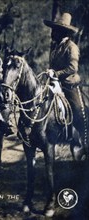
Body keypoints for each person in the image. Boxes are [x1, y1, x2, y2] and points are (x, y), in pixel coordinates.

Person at [44, 12, 87, 146]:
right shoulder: (56, 48)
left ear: (62, 32)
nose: (52, 33)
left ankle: (83, 138)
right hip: (54, 83)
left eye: (55, 31)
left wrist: (56, 73)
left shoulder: (72, 47)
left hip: (69, 84)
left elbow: (72, 68)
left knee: (78, 111)